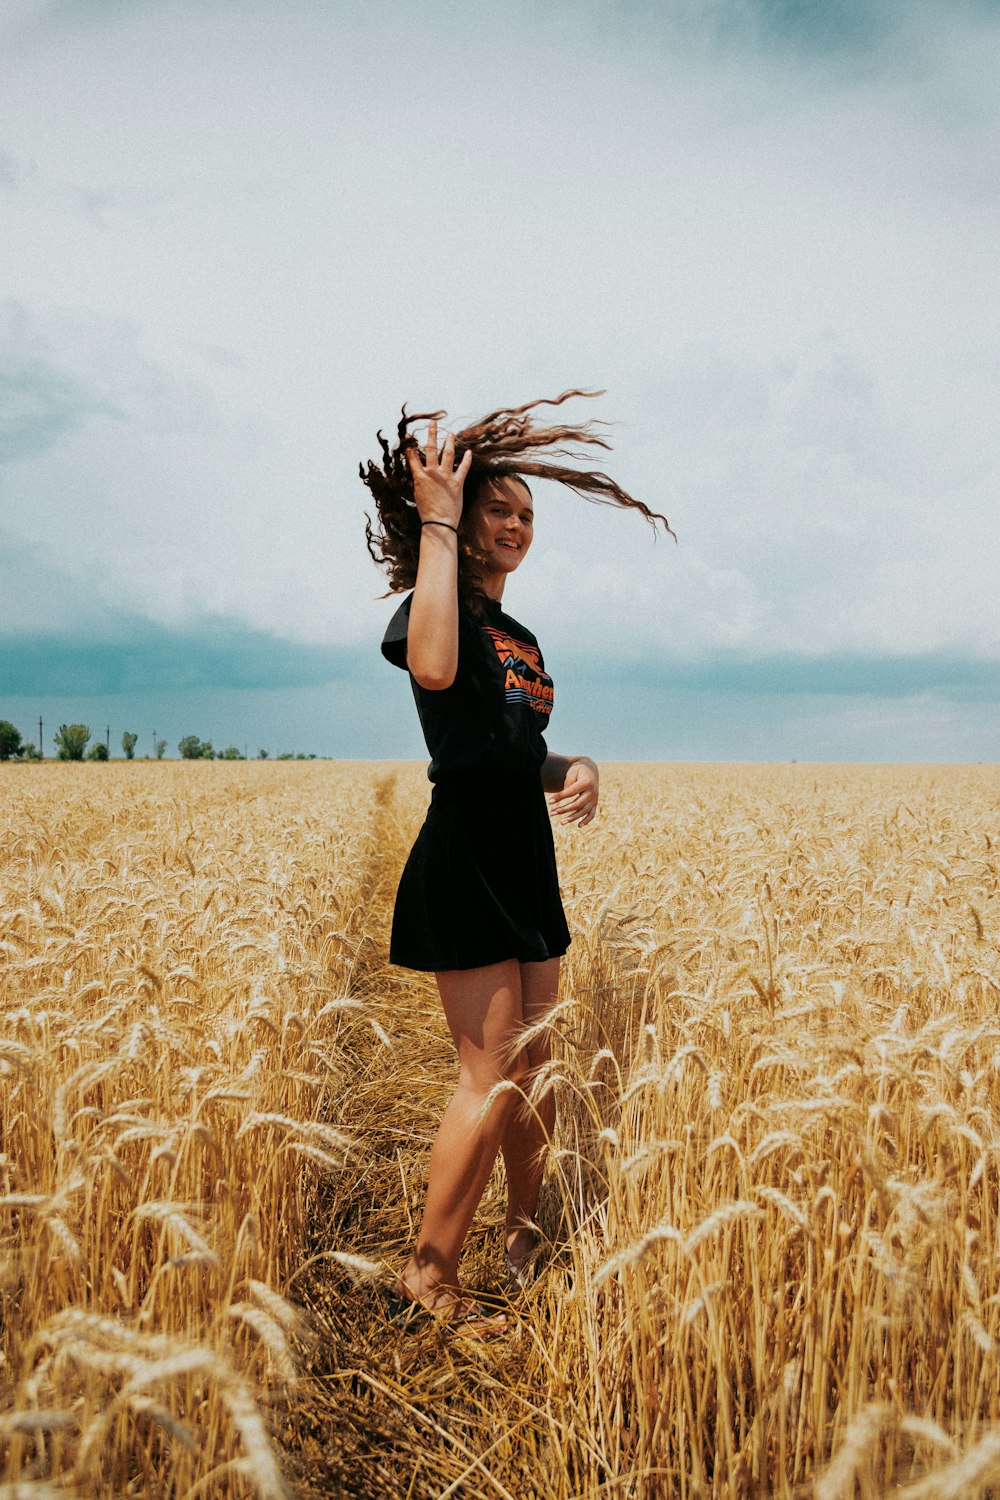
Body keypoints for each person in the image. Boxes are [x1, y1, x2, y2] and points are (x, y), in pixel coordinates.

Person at [360, 392, 671, 1339]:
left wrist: (571, 763)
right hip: (466, 855)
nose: (519, 526)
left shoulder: (523, 639)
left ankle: (524, 1237)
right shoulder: (429, 615)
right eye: (502, 508)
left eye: (527, 516)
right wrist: (441, 525)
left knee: (535, 1068)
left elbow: (507, 745)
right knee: (488, 1076)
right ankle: (428, 1271)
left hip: (526, 855)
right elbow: (442, 678)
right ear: (458, 518)